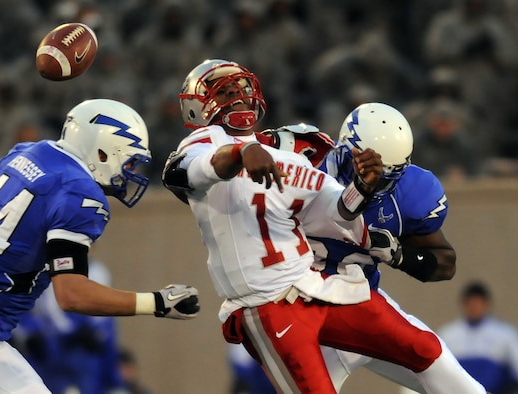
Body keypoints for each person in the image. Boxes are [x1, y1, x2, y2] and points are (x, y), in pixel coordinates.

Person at [163, 59, 484, 393]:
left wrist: (397, 251)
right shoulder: (287, 150)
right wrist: (239, 154)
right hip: (281, 302)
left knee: (441, 365)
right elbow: (187, 174)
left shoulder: (310, 168)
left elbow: (342, 213)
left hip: (346, 294)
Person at [0, 98, 200, 393]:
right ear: (101, 150)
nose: (130, 171)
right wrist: (157, 303)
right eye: (128, 159)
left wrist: (16, 238)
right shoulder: (81, 194)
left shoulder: (30, 153)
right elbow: (71, 295)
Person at [263, 102, 484, 393]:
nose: (380, 182)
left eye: (390, 174)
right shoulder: (303, 161)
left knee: (454, 378)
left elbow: (445, 262)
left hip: (363, 305)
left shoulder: (409, 192)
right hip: (305, 313)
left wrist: (400, 255)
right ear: (348, 150)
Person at [10, 257, 127, 394]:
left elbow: (108, 339)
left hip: (85, 357)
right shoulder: (40, 273)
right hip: (48, 354)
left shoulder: (98, 274)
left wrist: (115, 383)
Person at [438, 281, 518, 394]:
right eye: (471, 303)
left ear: (486, 304)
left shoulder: (505, 334)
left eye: (478, 303)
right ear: (464, 304)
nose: (474, 307)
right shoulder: (448, 334)